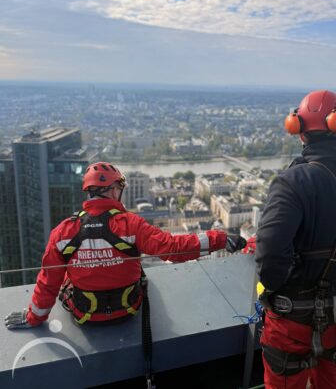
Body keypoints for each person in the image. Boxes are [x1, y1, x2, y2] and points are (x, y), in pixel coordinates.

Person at [5, 162, 246, 329]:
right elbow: (173, 248)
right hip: (128, 310)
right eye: (119, 187)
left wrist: (34, 317)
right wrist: (220, 239)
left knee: (66, 276)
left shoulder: (63, 232)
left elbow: (48, 282)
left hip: (84, 315)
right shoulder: (131, 225)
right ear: (112, 189)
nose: (121, 192)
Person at [255, 90, 336, 389]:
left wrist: (277, 289)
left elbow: (270, 252)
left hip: (293, 318)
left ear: (298, 129)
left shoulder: (293, 182)